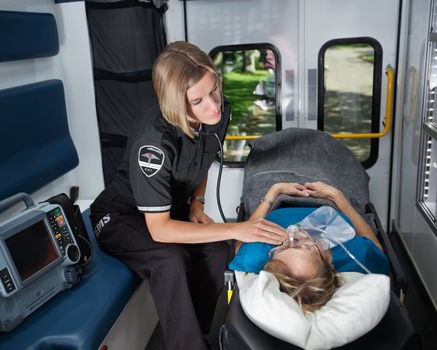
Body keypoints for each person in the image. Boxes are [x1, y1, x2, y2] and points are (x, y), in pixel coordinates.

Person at [89, 41, 286, 350]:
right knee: (170, 259)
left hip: (169, 206)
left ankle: (200, 334)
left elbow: (203, 158)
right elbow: (159, 229)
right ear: (176, 104)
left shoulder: (217, 114)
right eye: (198, 101)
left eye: (214, 89)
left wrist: (197, 202)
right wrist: (238, 227)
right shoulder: (152, 144)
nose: (213, 105)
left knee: (217, 250)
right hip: (121, 215)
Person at [232, 181, 388, 313]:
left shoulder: (258, 254)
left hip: (277, 201)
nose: (292, 233)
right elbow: (376, 246)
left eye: (283, 246)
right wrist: (337, 196)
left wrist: (274, 192)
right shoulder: (354, 255)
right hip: (331, 197)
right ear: (326, 258)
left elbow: (240, 242)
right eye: (303, 247)